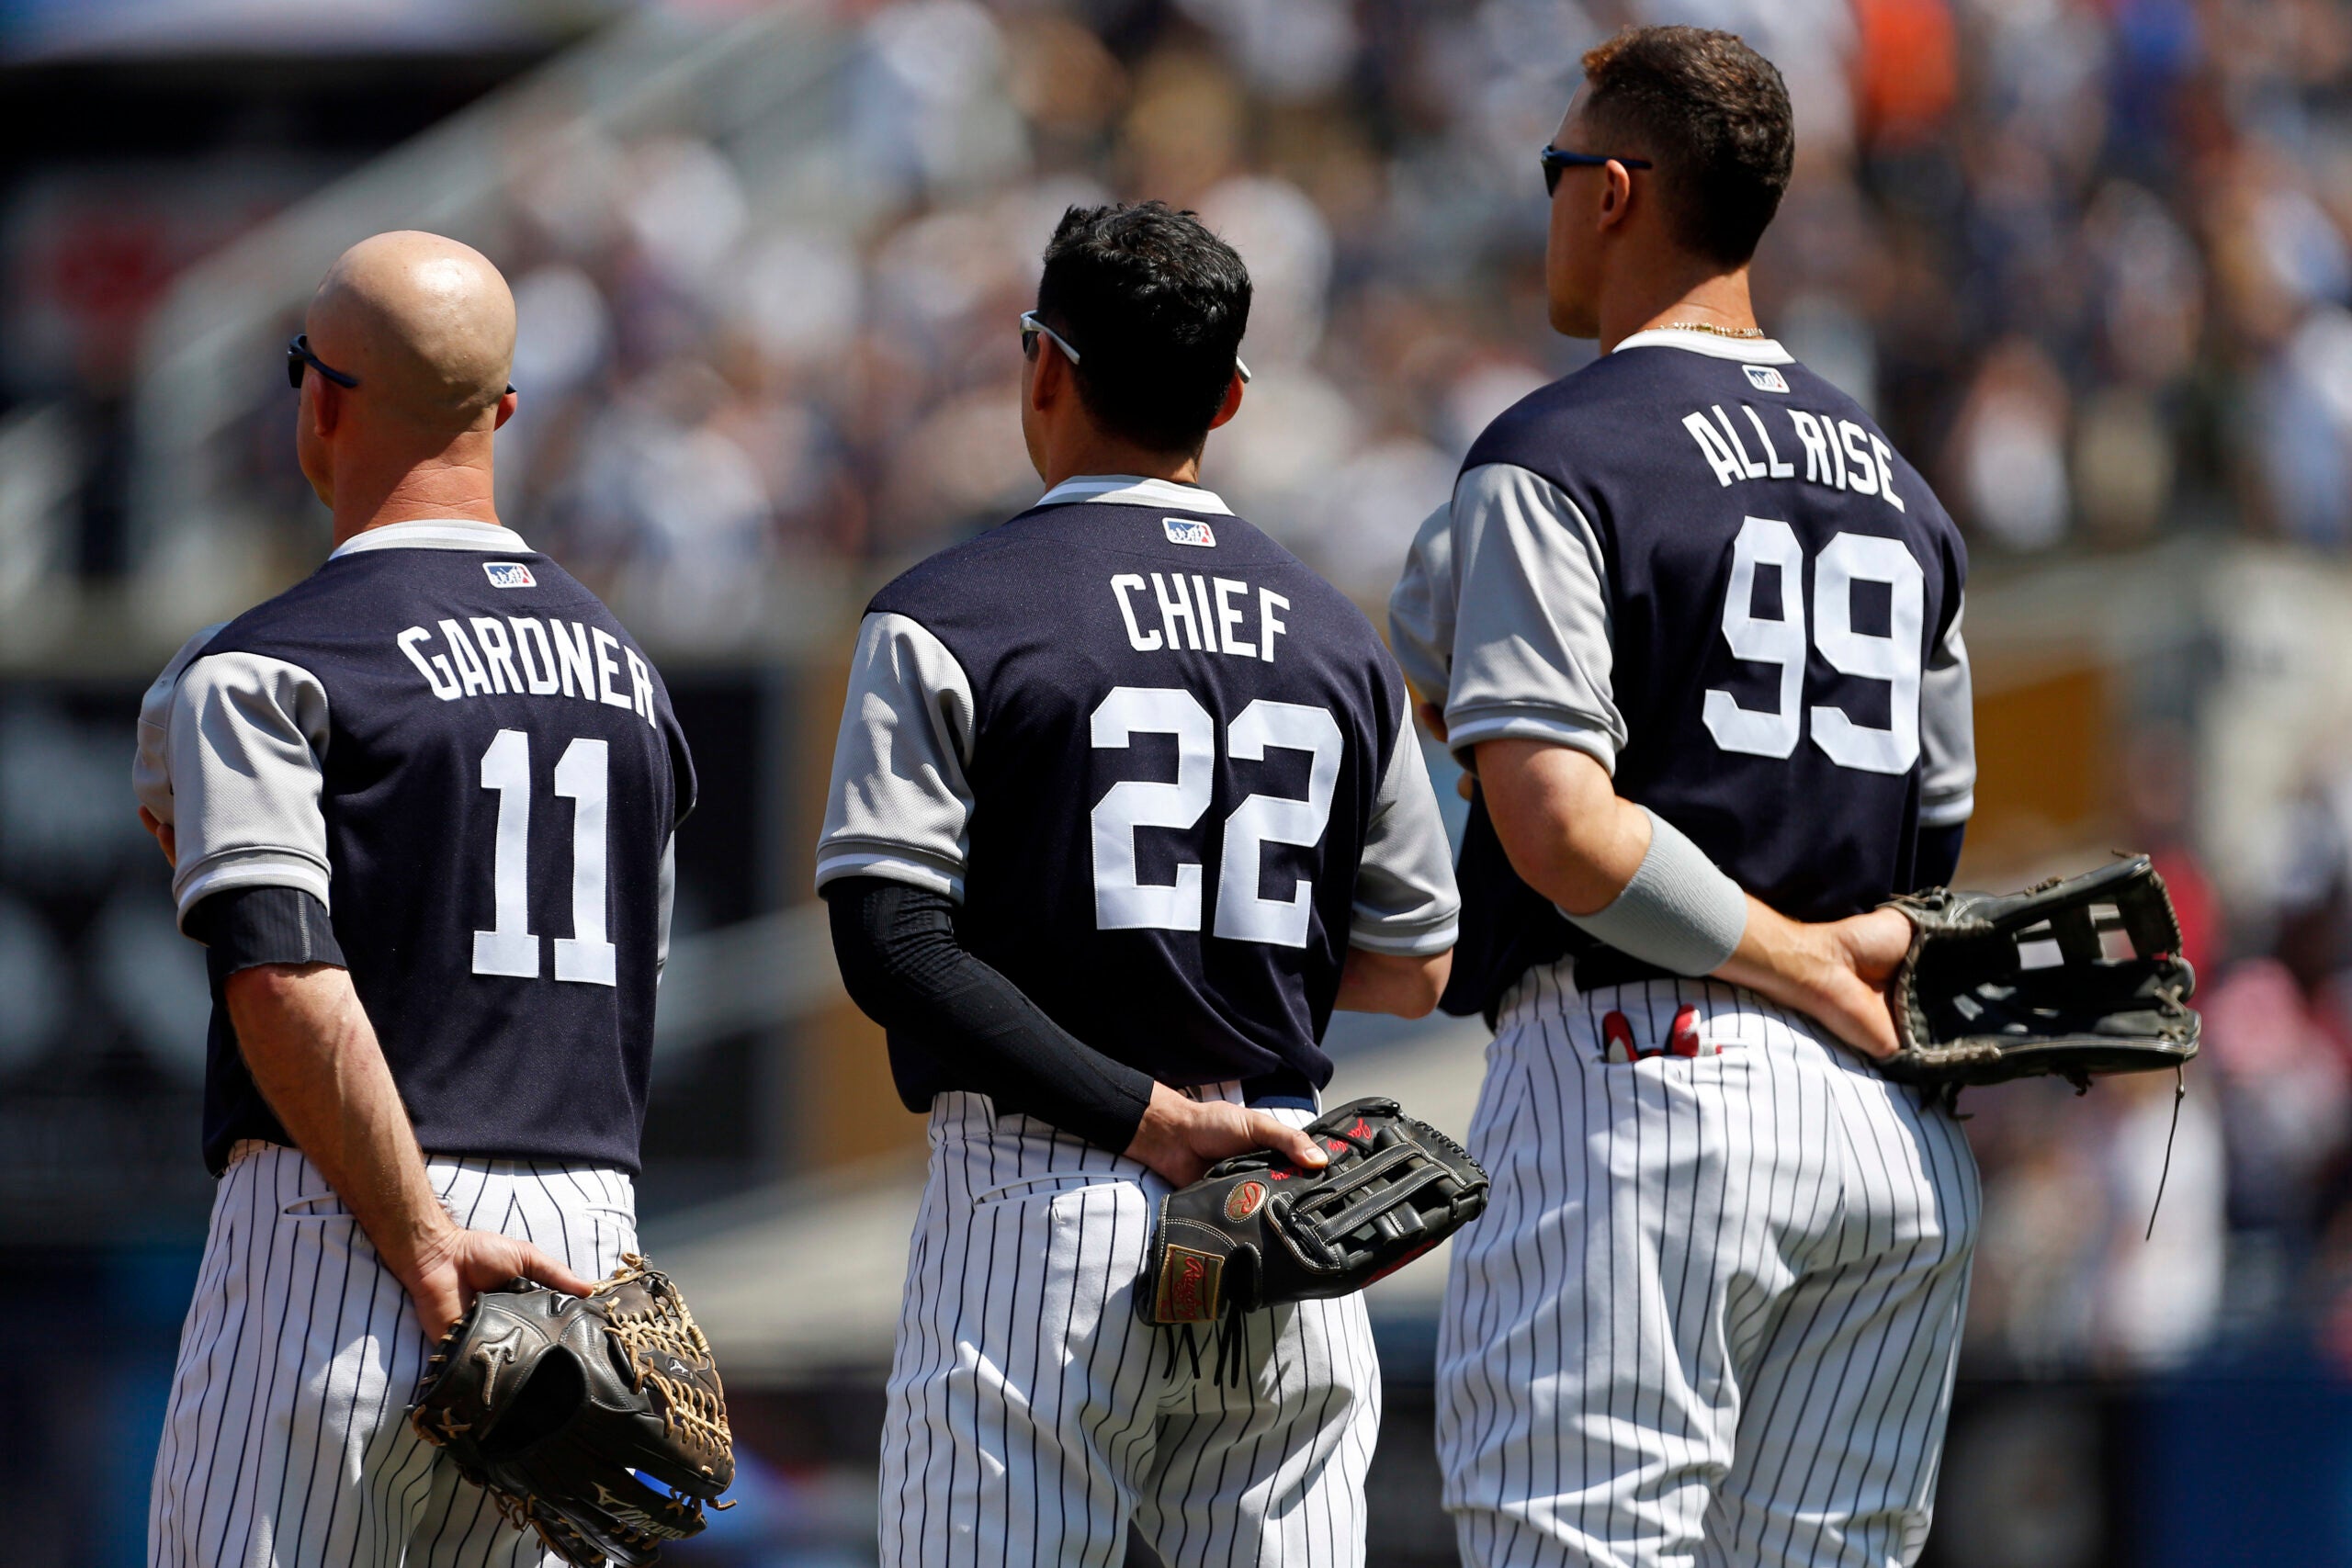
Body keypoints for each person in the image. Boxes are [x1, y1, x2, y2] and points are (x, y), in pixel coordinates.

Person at [1390, 28, 1979, 1567]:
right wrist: (1816, 963)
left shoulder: (1558, 450)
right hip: (1885, 1133)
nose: (1548, 200)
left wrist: (1775, 956)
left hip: (1640, 1086)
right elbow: (1929, 845)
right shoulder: (1904, 491)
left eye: (1555, 170)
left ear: (1615, 194)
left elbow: (1562, 830)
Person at [818, 201, 1461, 1565]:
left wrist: (1143, 1087)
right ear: (1227, 398)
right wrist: (1210, 952)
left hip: (1052, 1205)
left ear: (1043, 366)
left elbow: (892, 947)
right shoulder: (1335, 639)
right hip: (1290, 1208)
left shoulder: (950, 611)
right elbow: (1414, 964)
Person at [135, 231, 695, 1567]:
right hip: (578, 1257)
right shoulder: (634, 682)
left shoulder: (259, 666)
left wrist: (421, 1233)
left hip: (345, 1225)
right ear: (504, 412)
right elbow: (635, 984)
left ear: (317, 400)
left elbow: (277, 973)